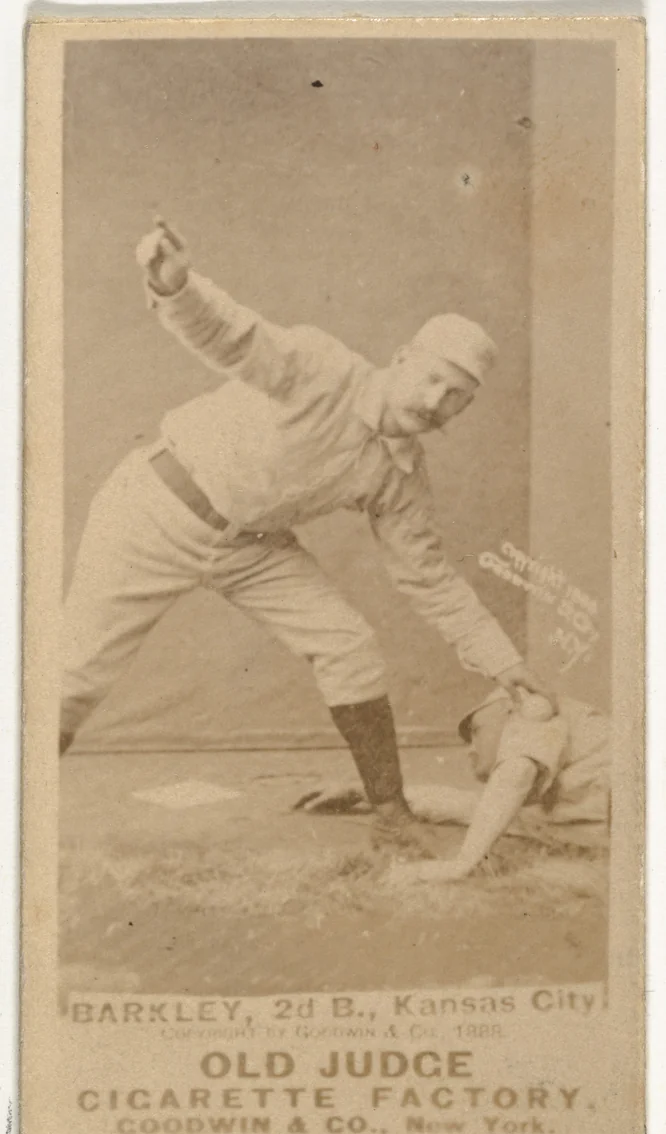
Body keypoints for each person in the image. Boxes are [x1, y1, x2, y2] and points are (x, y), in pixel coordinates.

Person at [60, 216, 554, 856]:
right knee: (72, 674)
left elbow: (429, 578)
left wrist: (506, 666)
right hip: (156, 506)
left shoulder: (401, 474)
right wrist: (177, 287)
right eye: (432, 378)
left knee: (348, 643)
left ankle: (392, 818)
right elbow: (234, 337)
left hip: (251, 547)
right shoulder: (323, 368)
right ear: (402, 360)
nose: (436, 401)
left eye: (457, 397)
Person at [386, 689, 609, 879]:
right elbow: (475, 807)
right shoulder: (531, 789)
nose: (471, 750)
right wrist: (374, 794)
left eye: (476, 731)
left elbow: (516, 774)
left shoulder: (534, 708)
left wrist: (461, 864)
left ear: (509, 712)